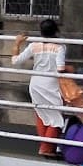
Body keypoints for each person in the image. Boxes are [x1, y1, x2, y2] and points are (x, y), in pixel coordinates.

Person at [13, 19, 68, 158]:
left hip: (36, 83)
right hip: (51, 84)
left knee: (41, 114)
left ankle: (47, 147)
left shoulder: (34, 45)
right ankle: (46, 148)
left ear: (41, 31)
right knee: (56, 118)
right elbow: (60, 68)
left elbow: (15, 61)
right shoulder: (60, 46)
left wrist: (17, 43)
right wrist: (71, 69)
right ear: (56, 31)